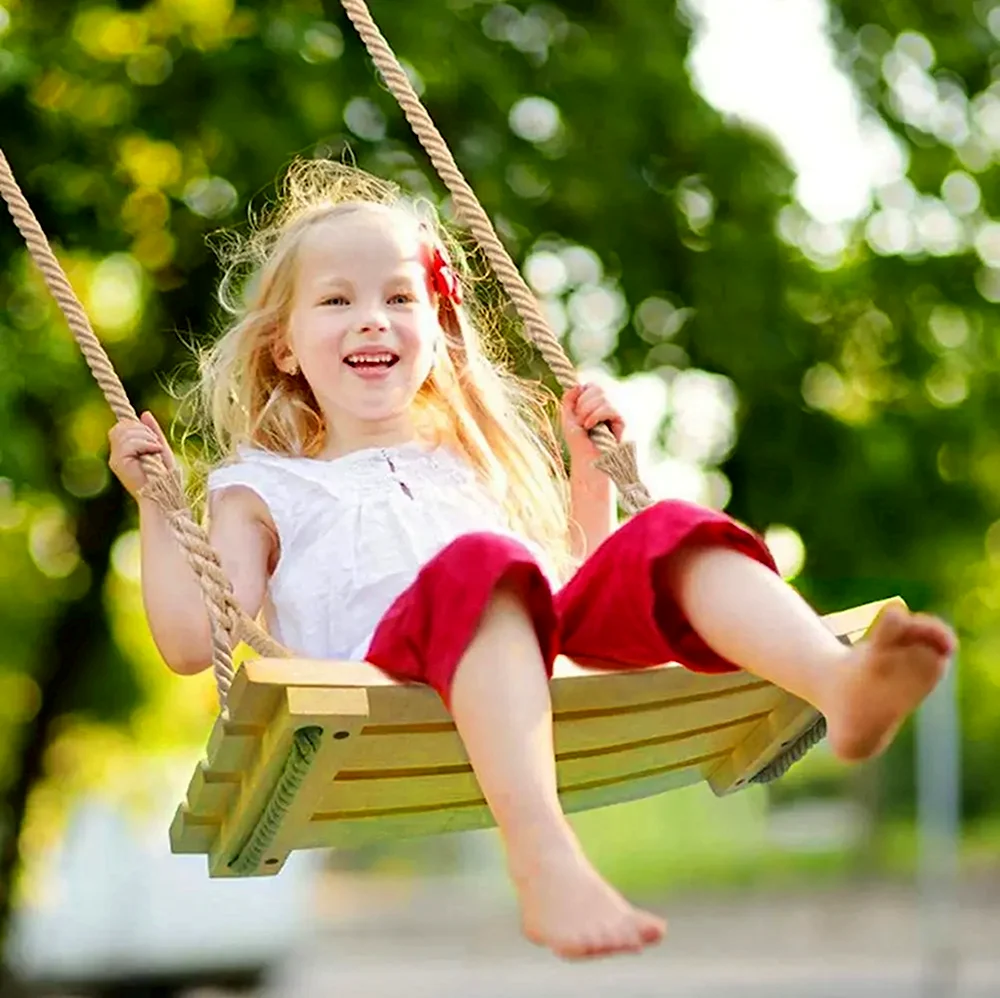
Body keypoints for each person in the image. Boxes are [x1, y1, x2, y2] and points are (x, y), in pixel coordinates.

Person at [108, 161, 956, 961]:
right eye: (337, 300)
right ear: (283, 348)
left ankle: (834, 682)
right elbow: (193, 642)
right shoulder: (265, 488)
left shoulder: (466, 465)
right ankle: (543, 857)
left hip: (523, 659)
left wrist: (592, 484)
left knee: (668, 529)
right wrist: (156, 505)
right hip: (388, 686)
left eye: (399, 297)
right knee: (484, 568)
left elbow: (563, 593)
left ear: (434, 335)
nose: (372, 317)